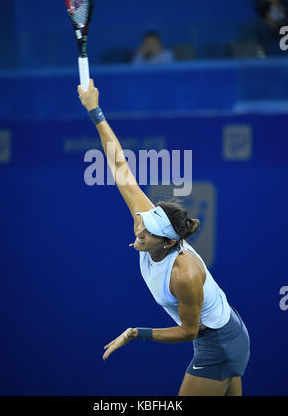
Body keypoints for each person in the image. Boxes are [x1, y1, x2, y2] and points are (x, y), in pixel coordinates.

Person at [77, 80, 250, 396]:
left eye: (151, 232)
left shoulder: (184, 274)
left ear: (169, 242)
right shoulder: (143, 220)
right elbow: (118, 164)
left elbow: (188, 330)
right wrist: (94, 110)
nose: (140, 231)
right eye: (145, 223)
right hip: (226, 334)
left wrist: (134, 333)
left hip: (219, 344)